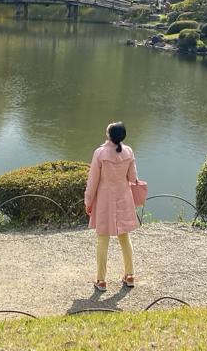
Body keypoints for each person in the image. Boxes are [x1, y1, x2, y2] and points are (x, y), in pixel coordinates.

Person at [84, 122, 139, 292]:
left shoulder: (100, 153)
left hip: (105, 199)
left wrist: (88, 201)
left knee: (102, 238)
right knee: (125, 237)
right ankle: (130, 275)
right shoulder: (128, 152)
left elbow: (92, 181)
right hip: (123, 196)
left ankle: (101, 280)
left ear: (109, 135)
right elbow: (133, 177)